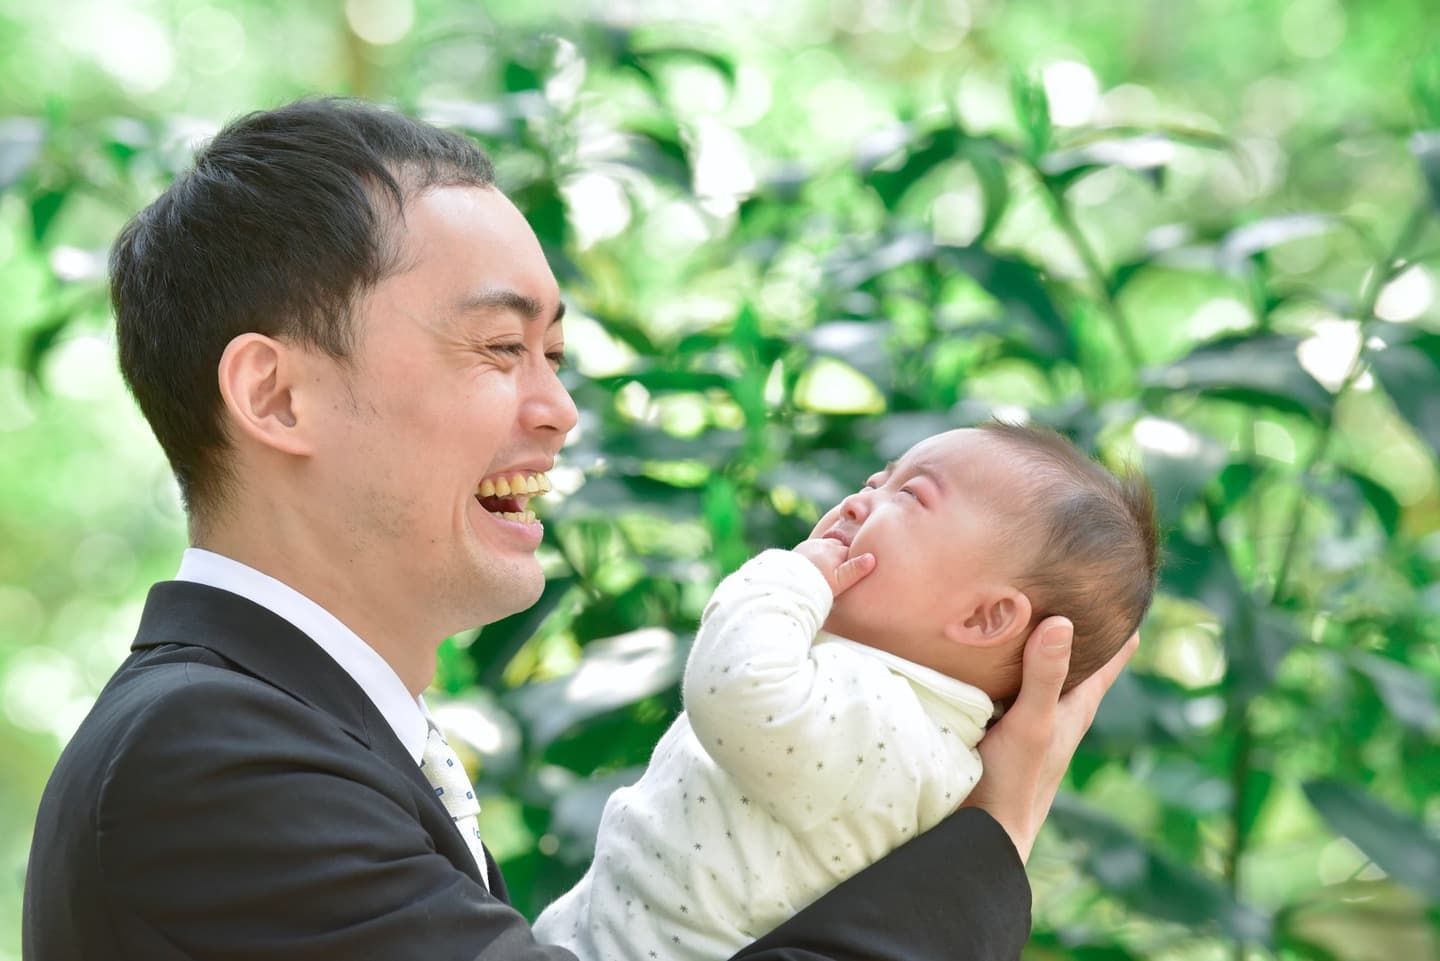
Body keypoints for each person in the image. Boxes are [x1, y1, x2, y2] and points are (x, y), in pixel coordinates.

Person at [22, 98, 1137, 961]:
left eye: (556, 357)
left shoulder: (300, 732)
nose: (557, 409)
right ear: (276, 398)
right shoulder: (212, 762)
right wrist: (989, 838)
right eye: (501, 350)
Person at [534, 424, 1158, 961]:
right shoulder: (886, 706)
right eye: (876, 479)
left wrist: (792, 575)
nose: (861, 498)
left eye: (910, 495)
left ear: (983, 619)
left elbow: (737, 684)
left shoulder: (892, 729)